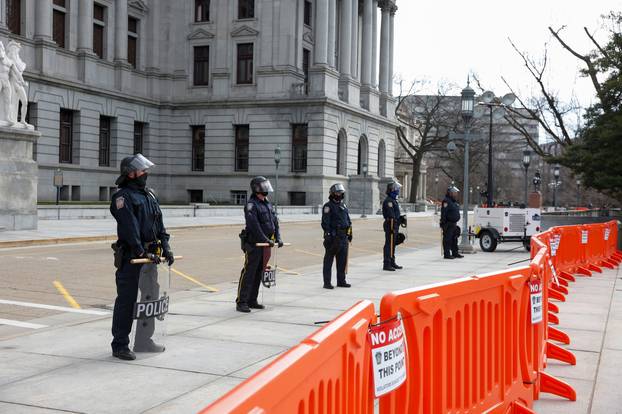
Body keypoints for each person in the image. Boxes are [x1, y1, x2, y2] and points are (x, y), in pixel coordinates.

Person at [109, 154, 174, 361]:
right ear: (131, 174)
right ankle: (120, 344)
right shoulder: (122, 197)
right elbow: (129, 227)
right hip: (132, 258)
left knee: (150, 297)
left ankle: (144, 340)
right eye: (142, 171)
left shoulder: (149, 195)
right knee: (127, 301)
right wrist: (139, 251)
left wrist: (166, 246)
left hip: (150, 258)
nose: (145, 174)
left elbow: (159, 224)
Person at [237, 176, 283, 313]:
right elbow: (254, 226)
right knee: (249, 272)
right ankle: (241, 301)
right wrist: (265, 239)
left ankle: (252, 300)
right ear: (257, 188)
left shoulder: (267, 203)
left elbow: (275, 222)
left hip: (265, 245)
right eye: (263, 186)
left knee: (258, 272)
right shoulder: (252, 205)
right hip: (254, 244)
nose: (266, 188)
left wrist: (278, 238)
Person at [321, 183, 352, 289]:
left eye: (341, 193)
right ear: (333, 194)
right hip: (334, 236)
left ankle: (341, 280)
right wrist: (329, 235)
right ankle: (327, 282)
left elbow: (348, 220)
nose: (340, 194)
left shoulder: (343, 205)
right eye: (338, 193)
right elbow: (325, 223)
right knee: (329, 260)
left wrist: (350, 232)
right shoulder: (328, 206)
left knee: (342, 260)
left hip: (343, 236)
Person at [382, 179, 405, 271]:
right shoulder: (388, 201)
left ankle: (392, 261)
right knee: (389, 244)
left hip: (394, 224)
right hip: (390, 224)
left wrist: (400, 218)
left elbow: (396, 214)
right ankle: (386, 263)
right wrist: (396, 219)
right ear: (392, 190)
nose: (397, 191)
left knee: (393, 244)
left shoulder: (394, 200)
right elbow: (391, 215)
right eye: (396, 189)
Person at [440, 186, 464, 259]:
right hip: (448, 224)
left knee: (454, 239)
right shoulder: (446, 201)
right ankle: (447, 254)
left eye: (456, 193)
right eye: (454, 193)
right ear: (450, 193)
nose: (456, 194)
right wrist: (443, 224)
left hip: (454, 224)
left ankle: (455, 252)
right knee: (447, 239)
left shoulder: (453, 201)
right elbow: (444, 213)